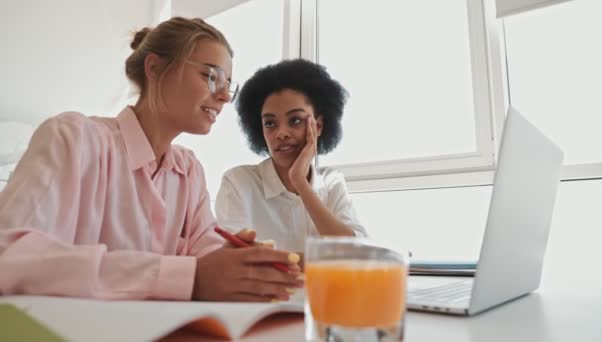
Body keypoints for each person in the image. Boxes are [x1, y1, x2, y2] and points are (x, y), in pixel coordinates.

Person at [0, 17, 302, 302]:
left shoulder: (188, 170)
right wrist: (186, 276)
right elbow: (9, 257)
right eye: (211, 76)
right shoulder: (72, 138)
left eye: (228, 86)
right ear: (155, 68)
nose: (224, 96)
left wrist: (236, 260)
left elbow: (203, 251)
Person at [215, 59, 367, 254]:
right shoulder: (238, 183)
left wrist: (300, 183)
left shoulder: (331, 182)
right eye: (270, 123)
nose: (281, 133)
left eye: (295, 120)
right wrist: (319, 262)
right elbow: (236, 261)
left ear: (318, 126)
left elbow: (356, 254)